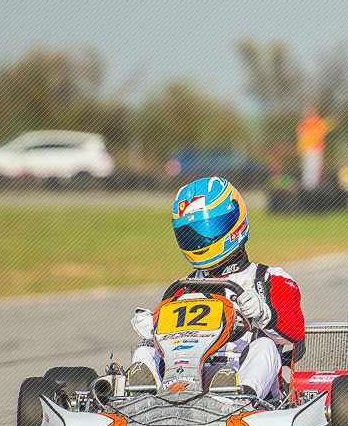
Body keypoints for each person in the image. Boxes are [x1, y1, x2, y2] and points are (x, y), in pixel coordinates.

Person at [127, 177, 305, 401]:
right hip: (188, 374)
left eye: (208, 230)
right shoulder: (184, 287)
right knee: (144, 351)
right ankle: (144, 400)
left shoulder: (268, 278)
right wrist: (154, 329)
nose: (200, 242)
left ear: (234, 223)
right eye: (191, 235)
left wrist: (263, 313)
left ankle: (238, 399)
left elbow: (294, 332)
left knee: (265, 346)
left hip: (242, 371)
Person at [296, 108, 331, 192]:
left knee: (314, 170)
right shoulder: (304, 123)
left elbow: (321, 132)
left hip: (315, 150)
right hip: (309, 150)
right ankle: (309, 189)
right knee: (310, 170)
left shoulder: (317, 123)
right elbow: (301, 135)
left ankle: (312, 189)